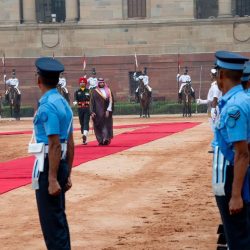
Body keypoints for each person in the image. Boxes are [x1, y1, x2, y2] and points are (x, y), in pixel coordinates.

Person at [32, 57, 74, 250]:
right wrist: (67, 173)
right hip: (61, 163)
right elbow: (70, 142)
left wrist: (51, 179)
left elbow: (54, 144)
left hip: (50, 165)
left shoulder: (47, 106)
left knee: (51, 226)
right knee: (59, 220)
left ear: (38, 80)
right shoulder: (64, 103)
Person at [212, 51, 250, 250]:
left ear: (221, 75)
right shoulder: (240, 100)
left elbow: (242, 152)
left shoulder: (234, 107)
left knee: (238, 238)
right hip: (234, 174)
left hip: (233, 175)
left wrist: (235, 194)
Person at [196, 68, 222, 153]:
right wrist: (201, 101)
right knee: (214, 127)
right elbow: (210, 100)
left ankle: (216, 146)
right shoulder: (214, 85)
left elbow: (215, 99)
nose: (209, 75)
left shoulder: (215, 86)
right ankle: (215, 145)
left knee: (215, 128)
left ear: (213, 75)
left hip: (214, 108)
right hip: (211, 107)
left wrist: (213, 110)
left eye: (210, 74)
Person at [90, 78, 114, 145]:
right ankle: (100, 140)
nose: (102, 84)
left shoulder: (108, 91)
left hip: (106, 112)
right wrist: (91, 112)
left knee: (106, 125)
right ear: (98, 83)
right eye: (100, 82)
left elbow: (111, 101)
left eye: (103, 82)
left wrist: (108, 110)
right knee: (98, 127)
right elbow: (91, 102)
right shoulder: (94, 91)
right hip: (97, 113)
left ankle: (106, 138)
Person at [73, 77, 90, 144]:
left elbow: (91, 100)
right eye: (81, 82)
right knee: (81, 123)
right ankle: (84, 136)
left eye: (83, 82)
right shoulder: (77, 92)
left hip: (87, 108)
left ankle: (85, 135)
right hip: (80, 109)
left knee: (86, 122)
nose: (82, 83)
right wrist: (75, 102)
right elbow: (75, 99)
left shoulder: (88, 91)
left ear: (85, 83)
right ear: (79, 83)